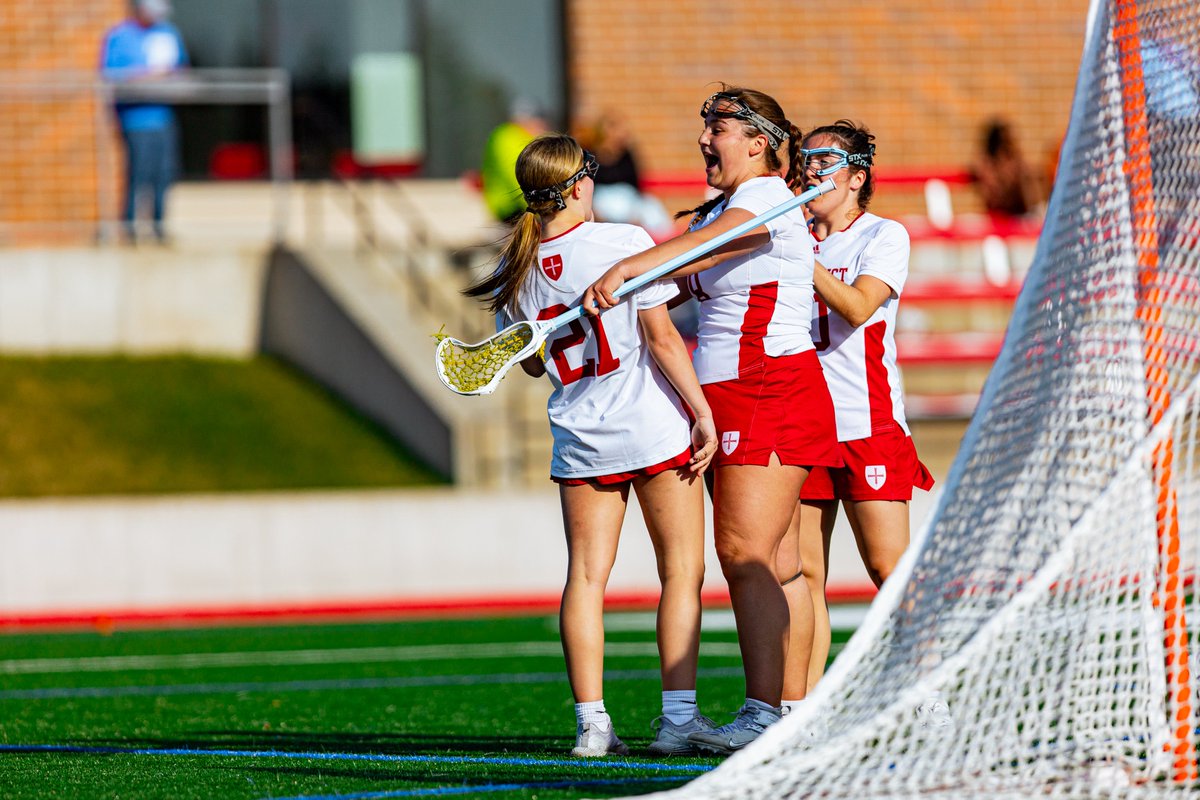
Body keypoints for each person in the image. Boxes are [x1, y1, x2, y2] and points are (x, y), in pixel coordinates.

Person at [584, 86, 842, 755]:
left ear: (758, 142)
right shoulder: (731, 207)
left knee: (745, 555)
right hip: (728, 393)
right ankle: (791, 711)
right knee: (778, 565)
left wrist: (629, 264)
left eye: (718, 127)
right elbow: (672, 279)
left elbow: (683, 254)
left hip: (770, 387)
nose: (704, 138)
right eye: (704, 125)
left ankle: (766, 716)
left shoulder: (758, 197)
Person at [464, 134, 718, 757]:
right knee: (681, 571)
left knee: (584, 578)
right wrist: (702, 412)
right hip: (652, 426)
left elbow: (527, 365)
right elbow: (660, 339)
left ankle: (592, 725)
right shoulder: (623, 241)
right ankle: (679, 720)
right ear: (579, 185)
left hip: (580, 435)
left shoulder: (516, 267)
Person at [776, 121, 935, 712]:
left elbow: (857, 306)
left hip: (866, 422)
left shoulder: (882, 235)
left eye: (826, 162)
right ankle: (802, 709)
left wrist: (797, 256)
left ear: (857, 177)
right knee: (804, 575)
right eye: (806, 160)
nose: (811, 172)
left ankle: (925, 687)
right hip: (803, 425)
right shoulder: (794, 234)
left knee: (887, 566)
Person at [100, 0, 188, 244]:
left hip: (164, 118)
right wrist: (150, 76)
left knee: (164, 174)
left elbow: (181, 68)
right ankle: (129, 228)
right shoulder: (120, 36)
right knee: (139, 174)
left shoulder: (167, 33)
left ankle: (159, 228)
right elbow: (112, 78)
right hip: (135, 121)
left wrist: (171, 78)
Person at [576, 112, 673, 235]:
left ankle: (666, 241)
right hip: (601, 202)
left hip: (628, 202)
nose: (621, 134)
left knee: (652, 206)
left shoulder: (626, 154)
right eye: (615, 129)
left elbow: (637, 185)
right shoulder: (590, 155)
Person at [479, 97, 549, 224]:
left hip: (522, 204)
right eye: (538, 121)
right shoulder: (506, 137)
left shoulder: (522, 137)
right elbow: (517, 178)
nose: (542, 126)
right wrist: (541, 210)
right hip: (510, 207)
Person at [970, 119, 1040, 219]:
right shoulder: (987, 164)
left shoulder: (1016, 160)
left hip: (1019, 214)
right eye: (1007, 142)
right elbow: (994, 192)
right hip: (997, 214)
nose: (1011, 144)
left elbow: (1027, 186)